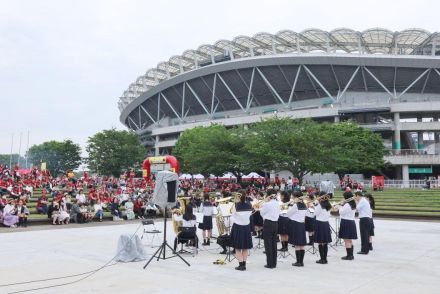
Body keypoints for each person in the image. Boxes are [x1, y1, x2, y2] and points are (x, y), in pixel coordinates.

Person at [230, 191, 253, 271]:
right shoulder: (249, 204)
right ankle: (244, 264)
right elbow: (250, 215)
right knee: (245, 247)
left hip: (238, 227)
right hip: (246, 227)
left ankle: (240, 265)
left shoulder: (236, 205)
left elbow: (232, 217)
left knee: (237, 248)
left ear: (238, 197)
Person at [260, 189, 280, 269]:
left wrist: (265, 202)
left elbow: (262, 213)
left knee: (268, 244)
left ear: (268, 196)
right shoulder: (277, 203)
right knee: (274, 244)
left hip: (268, 223)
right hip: (275, 223)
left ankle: (269, 264)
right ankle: (274, 263)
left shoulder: (267, 204)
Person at [286, 191, 307, 267]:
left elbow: (288, 214)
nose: (291, 198)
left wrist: (290, 206)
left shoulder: (295, 205)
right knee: (301, 244)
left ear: (296, 197)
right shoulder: (304, 204)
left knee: (297, 244)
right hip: (301, 224)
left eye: (292, 196)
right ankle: (301, 261)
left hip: (296, 224)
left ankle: (298, 262)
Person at [336, 191, 357, 260]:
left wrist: (339, 206)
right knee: (349, 240)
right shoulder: (353, 203)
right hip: (351, 222)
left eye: (344, 197)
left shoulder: (347, 205)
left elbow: (341, 212)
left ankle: (349, 256)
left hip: (346, 222)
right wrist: (342, 205)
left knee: (346, 240)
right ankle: (351, 255)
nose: (343, 198)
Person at [313, 192, 332, 264]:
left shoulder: (320, 205)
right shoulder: (328, 205)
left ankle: (322, 259)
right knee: (325, 242)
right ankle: (325, 259)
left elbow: (315, 214)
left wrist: (315, 205)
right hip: (326, 223)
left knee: (320, 242)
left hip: (320, 223)